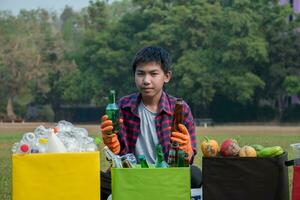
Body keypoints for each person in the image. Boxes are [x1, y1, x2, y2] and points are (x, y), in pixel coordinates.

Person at [100, 46, 202, 200]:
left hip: (166, 177)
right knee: (94, 180)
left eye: (153, 74)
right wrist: (111, 143)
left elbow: (190, 156)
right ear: (134, 75)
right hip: (133, 176)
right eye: (140, 73)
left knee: (195, 175)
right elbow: (118, 155)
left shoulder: (179, 108)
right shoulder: (123, 106)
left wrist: (186, 151)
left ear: (166, 76)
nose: (146, 81)